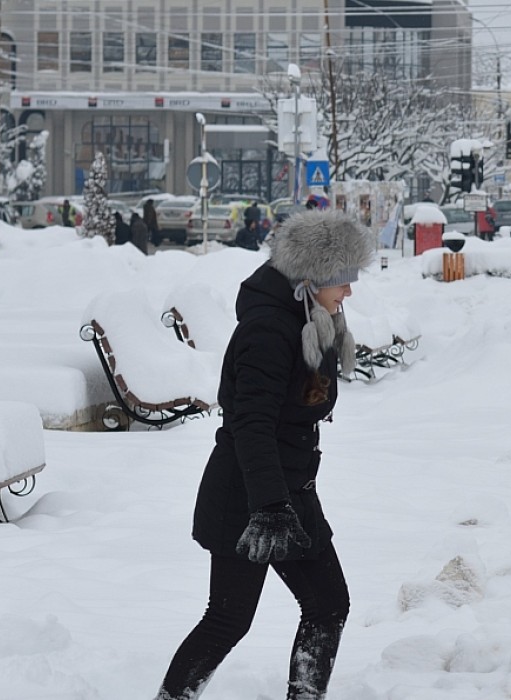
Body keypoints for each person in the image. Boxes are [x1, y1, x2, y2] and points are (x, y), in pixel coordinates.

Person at [157, 210, 374, 700]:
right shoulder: (269, 331)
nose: (349, 291)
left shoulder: (309, 320)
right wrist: (270, 508)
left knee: (326, 604)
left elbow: (305, 403)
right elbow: (251, 425)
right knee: (230, 618)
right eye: (342, 280)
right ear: (310, 278)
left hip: (286, 489)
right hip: (251, 495)